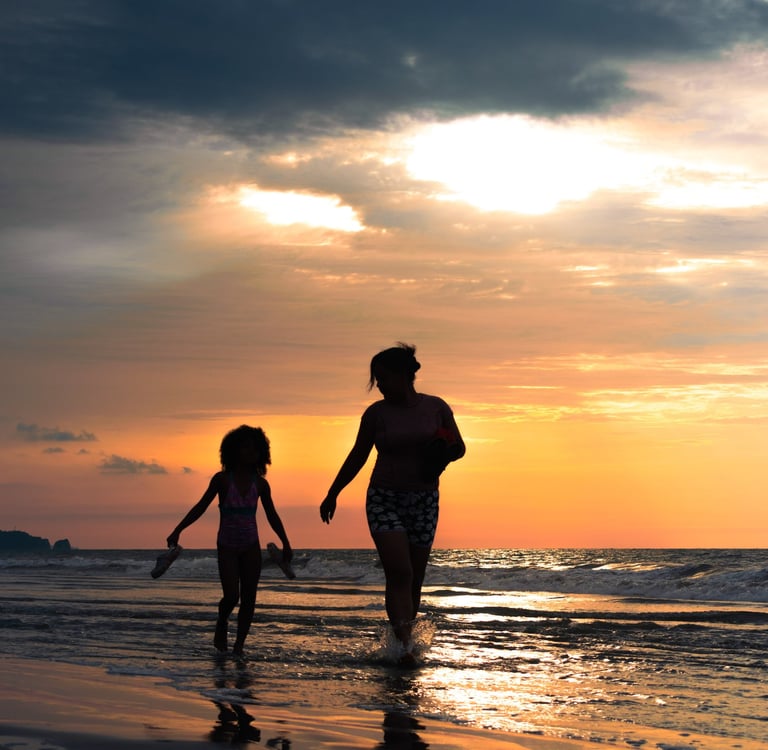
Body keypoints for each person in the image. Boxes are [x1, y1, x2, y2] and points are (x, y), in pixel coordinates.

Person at [320, 343, 465, 664]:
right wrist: (334, 492)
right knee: (399, 572)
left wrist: (442, 451)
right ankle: (404, 646)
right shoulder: (376, 414)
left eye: (383, 378)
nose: (378, 385)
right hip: (384, 497)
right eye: (376, 379)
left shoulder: (436, 408)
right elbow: (359, 454)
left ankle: (405, 644)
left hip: (424, 499)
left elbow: (459, 448)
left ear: (404, 375)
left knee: (413, 577)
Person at [167, 425, 292, 656]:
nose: (251, 452)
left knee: (249, 599)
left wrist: (285, 541)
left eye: (255, 448)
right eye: (246, 447)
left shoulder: (261, 484)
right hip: (227, 546)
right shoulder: (222, 480)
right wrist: (178, 530)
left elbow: (272, 515)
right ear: (234, 451)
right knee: (232, 596)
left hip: (250, 546)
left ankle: (239, 647)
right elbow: (201, 507)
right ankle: (222, 620)